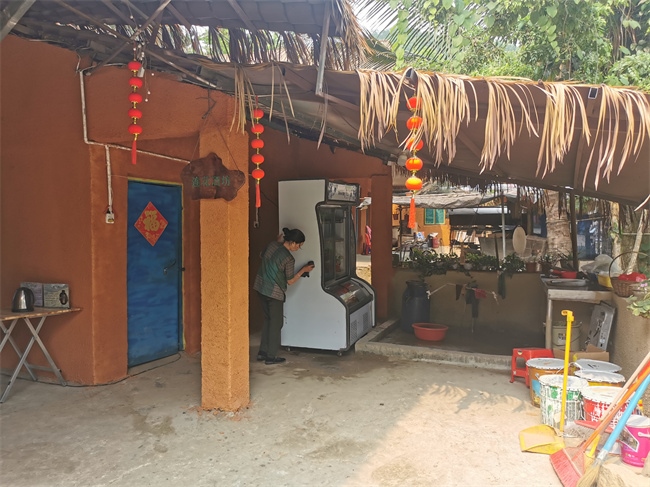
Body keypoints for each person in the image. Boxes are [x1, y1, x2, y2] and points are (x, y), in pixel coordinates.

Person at [254, 227, 315, 365]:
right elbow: (290, 280)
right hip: (274, 293)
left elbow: (261, 255)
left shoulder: (272, 245)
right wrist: (303, 270)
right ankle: (271, 356)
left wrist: (276, 242)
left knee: (268, 320)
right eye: (299, 245)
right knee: (276, 324)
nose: (298, 248)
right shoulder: (289, 258)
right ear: (292, 242)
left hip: (260, 287)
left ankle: (262, 352)